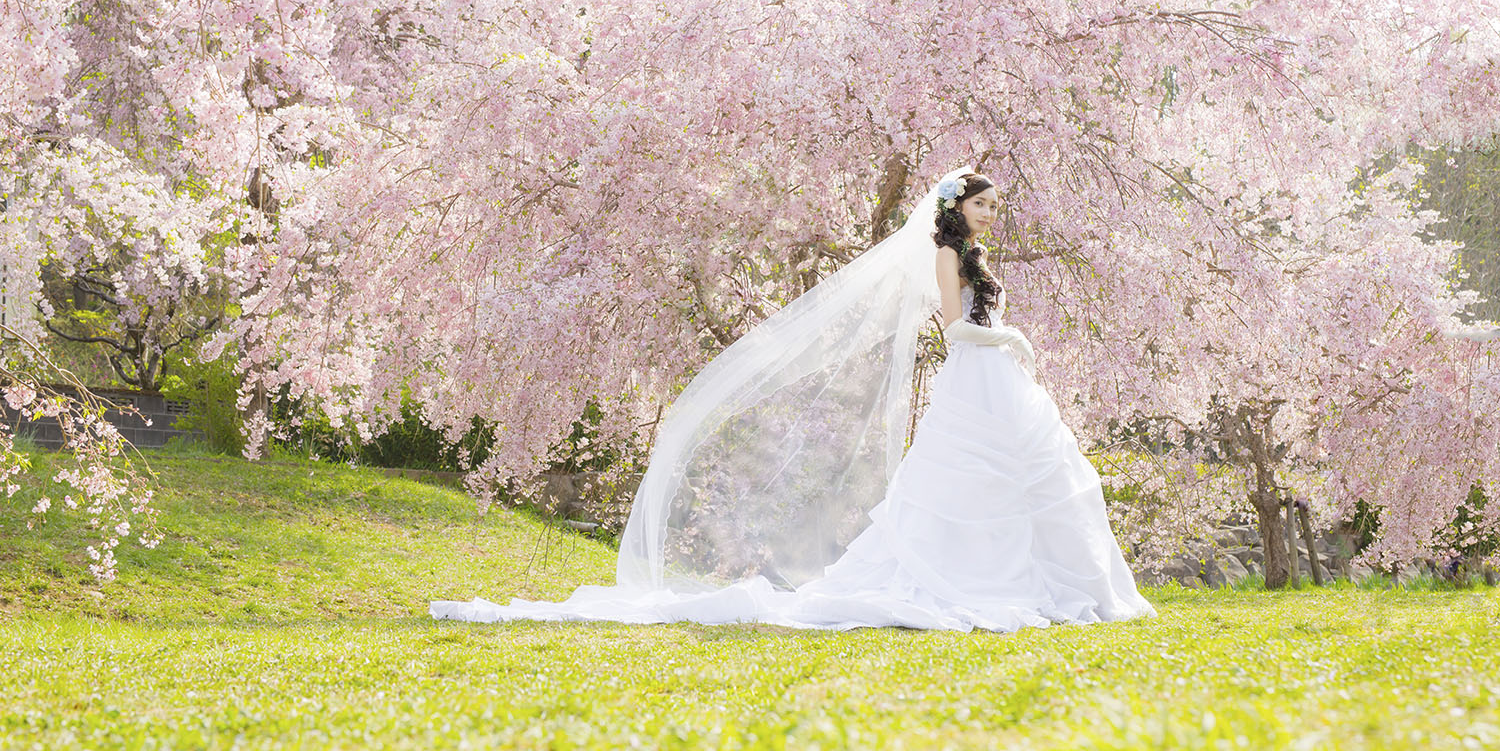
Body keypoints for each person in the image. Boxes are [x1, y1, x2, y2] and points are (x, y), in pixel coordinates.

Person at [431, 166, 1157, 632]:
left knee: (1041, 482)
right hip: (980, 380)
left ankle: (1050, 584)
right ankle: (974, 580)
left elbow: (972, 319)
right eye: (985, 205)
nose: (993, 215)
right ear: (957, 207)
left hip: (1004, 386)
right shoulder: (943, 255)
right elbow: (953, 331)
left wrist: (1009, 344)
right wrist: (1010, 342)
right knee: (965, 485)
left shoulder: (975, 257)